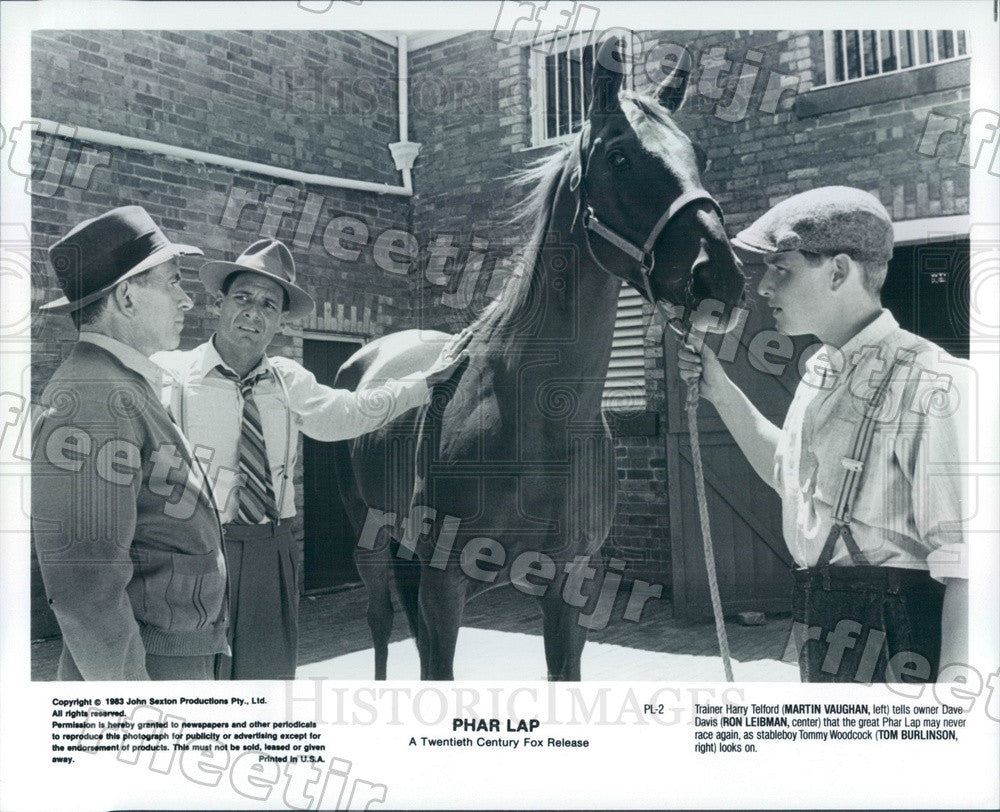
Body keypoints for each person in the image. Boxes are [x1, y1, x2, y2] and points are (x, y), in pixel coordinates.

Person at [677, 186, 968, 683]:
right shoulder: (818, 371)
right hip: (824, 625)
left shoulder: (934, 383)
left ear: (838, 271)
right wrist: (721, 393)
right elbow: (789, 475)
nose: (764, 287)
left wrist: (955, 702)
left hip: (902, 647)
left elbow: (970, 565)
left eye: (781, 267)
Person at [153, 239, 471, 680]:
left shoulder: (288, 380)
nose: (253, 312)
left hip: (270, 548)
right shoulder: (168, 376)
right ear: (218, 303)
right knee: (193, 677)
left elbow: (349, 412)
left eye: (269, 304)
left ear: (280, 322)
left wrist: (423, 385)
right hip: (195, 546)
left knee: (265, 677)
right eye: (242, 297)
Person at [33, 206, 228, 680]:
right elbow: (86, 589)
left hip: (170, 656)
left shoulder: (122, 383)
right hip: (145, 673)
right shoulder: (94, 398)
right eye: (172, 282)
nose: (186, 300)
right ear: (126, 296)